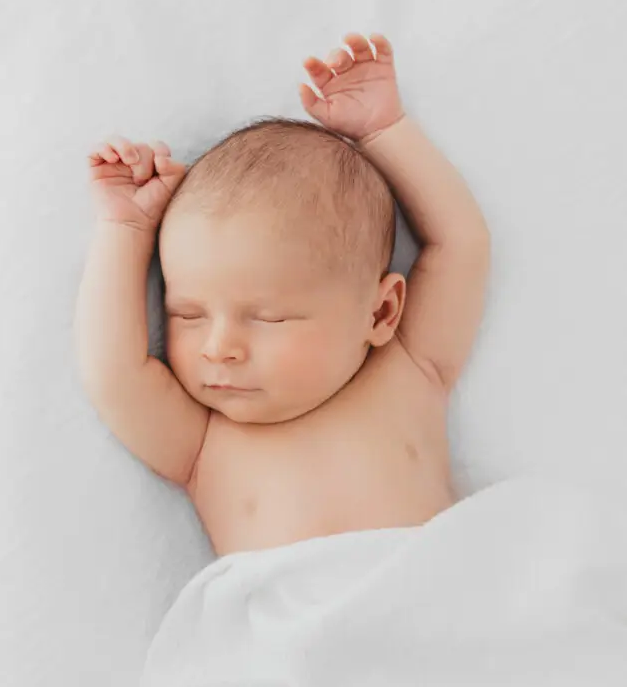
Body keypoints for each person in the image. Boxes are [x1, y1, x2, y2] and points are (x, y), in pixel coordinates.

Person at [75, 32, 491, 557]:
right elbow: (114, 373)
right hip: (296, 633)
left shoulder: (409, 370)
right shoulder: (204, 442)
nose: (219, 347)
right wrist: (125, 231)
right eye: (188, 314)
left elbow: (460, 245)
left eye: (268, 318)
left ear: (381, 311)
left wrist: (385, 130)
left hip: (429, 605)